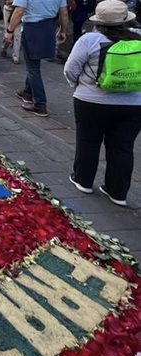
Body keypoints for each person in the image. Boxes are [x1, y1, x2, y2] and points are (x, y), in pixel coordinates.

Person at [65, 0, 141, 207]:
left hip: (91, 100)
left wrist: (79, 85)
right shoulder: (138, 39)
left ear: (99, 21)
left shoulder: (89, 39)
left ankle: (83, 180)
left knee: (88, 141)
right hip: (134, 104)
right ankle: (118, 192)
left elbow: (70, 69)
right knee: (123, 147)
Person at [5, 0, 68, 116]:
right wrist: (63, 30)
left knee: (33, 67)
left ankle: (40, 104)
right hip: (49, 27)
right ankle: (27, 92)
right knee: (34, 63)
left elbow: (19, 11)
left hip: (32, 28)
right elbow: (64, 12)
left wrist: (10, 30)